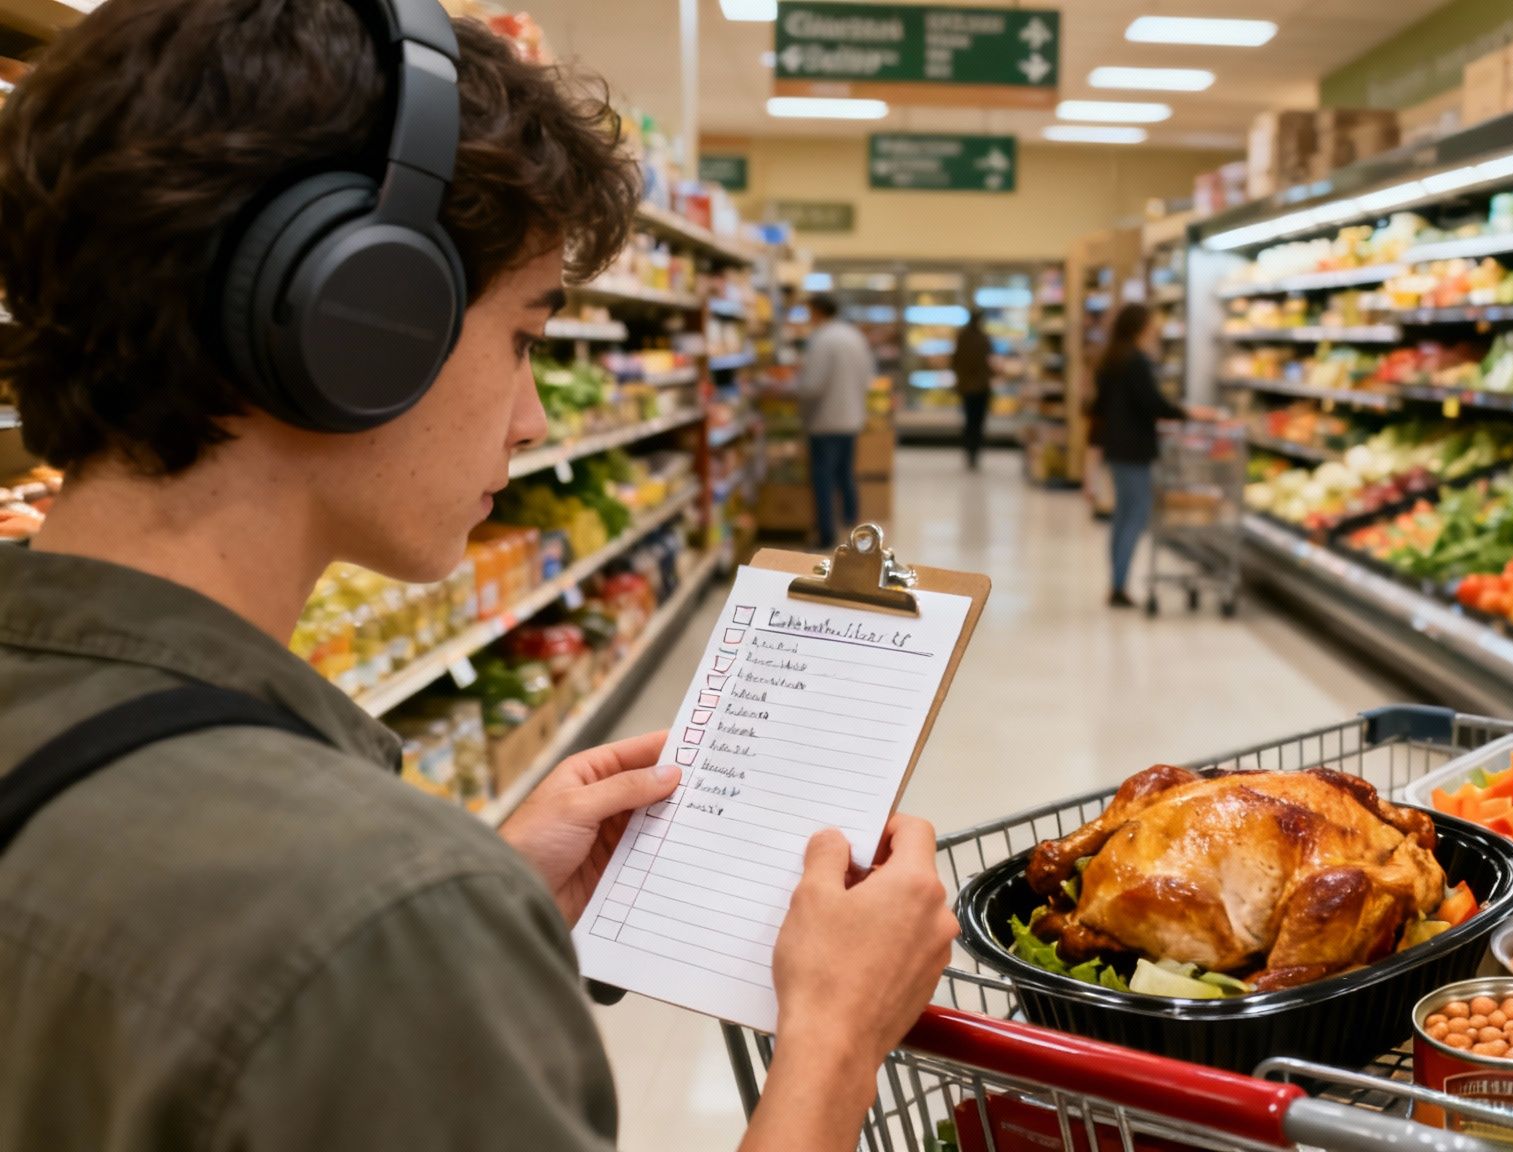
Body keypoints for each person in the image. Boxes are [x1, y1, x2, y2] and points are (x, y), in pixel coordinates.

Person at [0, 3, 955, 1150]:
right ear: (355, 322)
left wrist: (475, 914)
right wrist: (836, 1039)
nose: (534, 417)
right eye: (522, 337)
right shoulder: (368, 907)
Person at [1092, 303, 1185, 608]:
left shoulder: (1110, 361)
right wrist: (1187, 413)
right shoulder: (1137, 362)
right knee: (1137, 514)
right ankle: (1119, 585)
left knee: (1122, 515)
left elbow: (1099, 409)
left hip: (1116, 448)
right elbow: (1152, 404)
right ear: (1139, 327)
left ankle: (1116, 580)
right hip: (1136, 450)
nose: (1154, 328)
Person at [797, 294, 875, 547]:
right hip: (852, 417)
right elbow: (868, 377)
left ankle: (826, 533)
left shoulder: (821, 339)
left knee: (823, 477)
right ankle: (854, 525)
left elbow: (812, 385)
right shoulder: (854, 336)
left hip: (826, 420)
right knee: (845, 473)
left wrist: (791, 390)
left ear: (817, 312)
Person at [950, 309, 995, 469]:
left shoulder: (962, 338)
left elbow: (954, 361)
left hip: (967, 387)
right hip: (981, 387)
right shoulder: (984, 339)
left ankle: (969, 451)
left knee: (969, 421)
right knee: (978, 421)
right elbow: (989, 362)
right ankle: (975, 451)